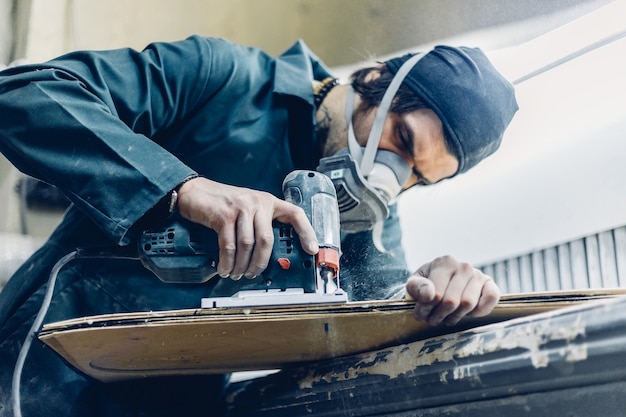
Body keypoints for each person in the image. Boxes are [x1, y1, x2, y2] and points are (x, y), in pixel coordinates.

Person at [0, 35, 517, 416]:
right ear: (377, 78)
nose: (391, 178)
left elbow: (372, 300)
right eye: (402, 140)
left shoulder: (368, 215)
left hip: (181, 396)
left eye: (417, 178)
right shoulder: (224, 78)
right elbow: (23, 92)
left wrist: (429, 294)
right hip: (49, 359)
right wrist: (181, 188)